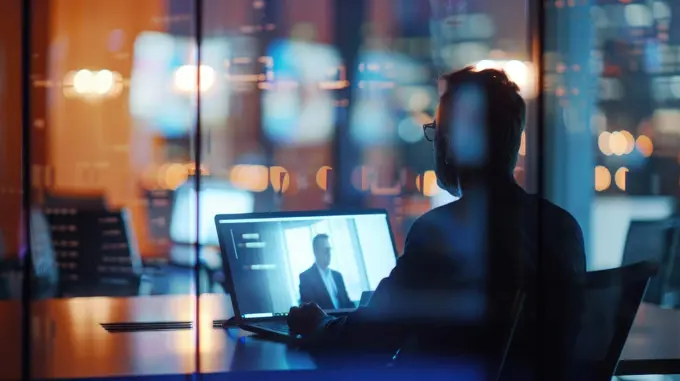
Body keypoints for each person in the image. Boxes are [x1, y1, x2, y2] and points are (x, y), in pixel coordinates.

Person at [287, 67, 586, 378]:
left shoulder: (442, 232)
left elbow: (369, 341)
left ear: (453, 144)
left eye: (437, 131)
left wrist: (320, 325)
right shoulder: (562, 227)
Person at [299, 234, 355, 310]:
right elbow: (310, 310)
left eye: (329, 250)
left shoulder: (337, 276)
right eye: (325, 250)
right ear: (316, 252)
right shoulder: (306, 277)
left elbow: (347, 303)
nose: (329, 254)